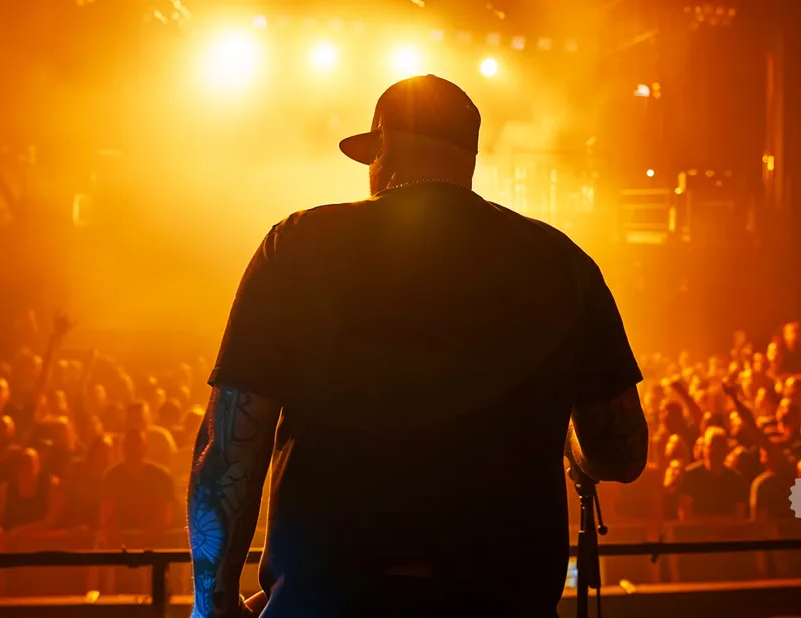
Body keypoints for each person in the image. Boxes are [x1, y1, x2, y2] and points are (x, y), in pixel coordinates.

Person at [187, 74, 648, 618]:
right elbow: (620, 452)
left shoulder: (298, 245)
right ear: (468, 158)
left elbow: (231, 447)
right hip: (502, 603)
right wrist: (572, 444)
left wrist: (213, 603)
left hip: (329, 601)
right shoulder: (564, 265)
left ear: (383, 146)